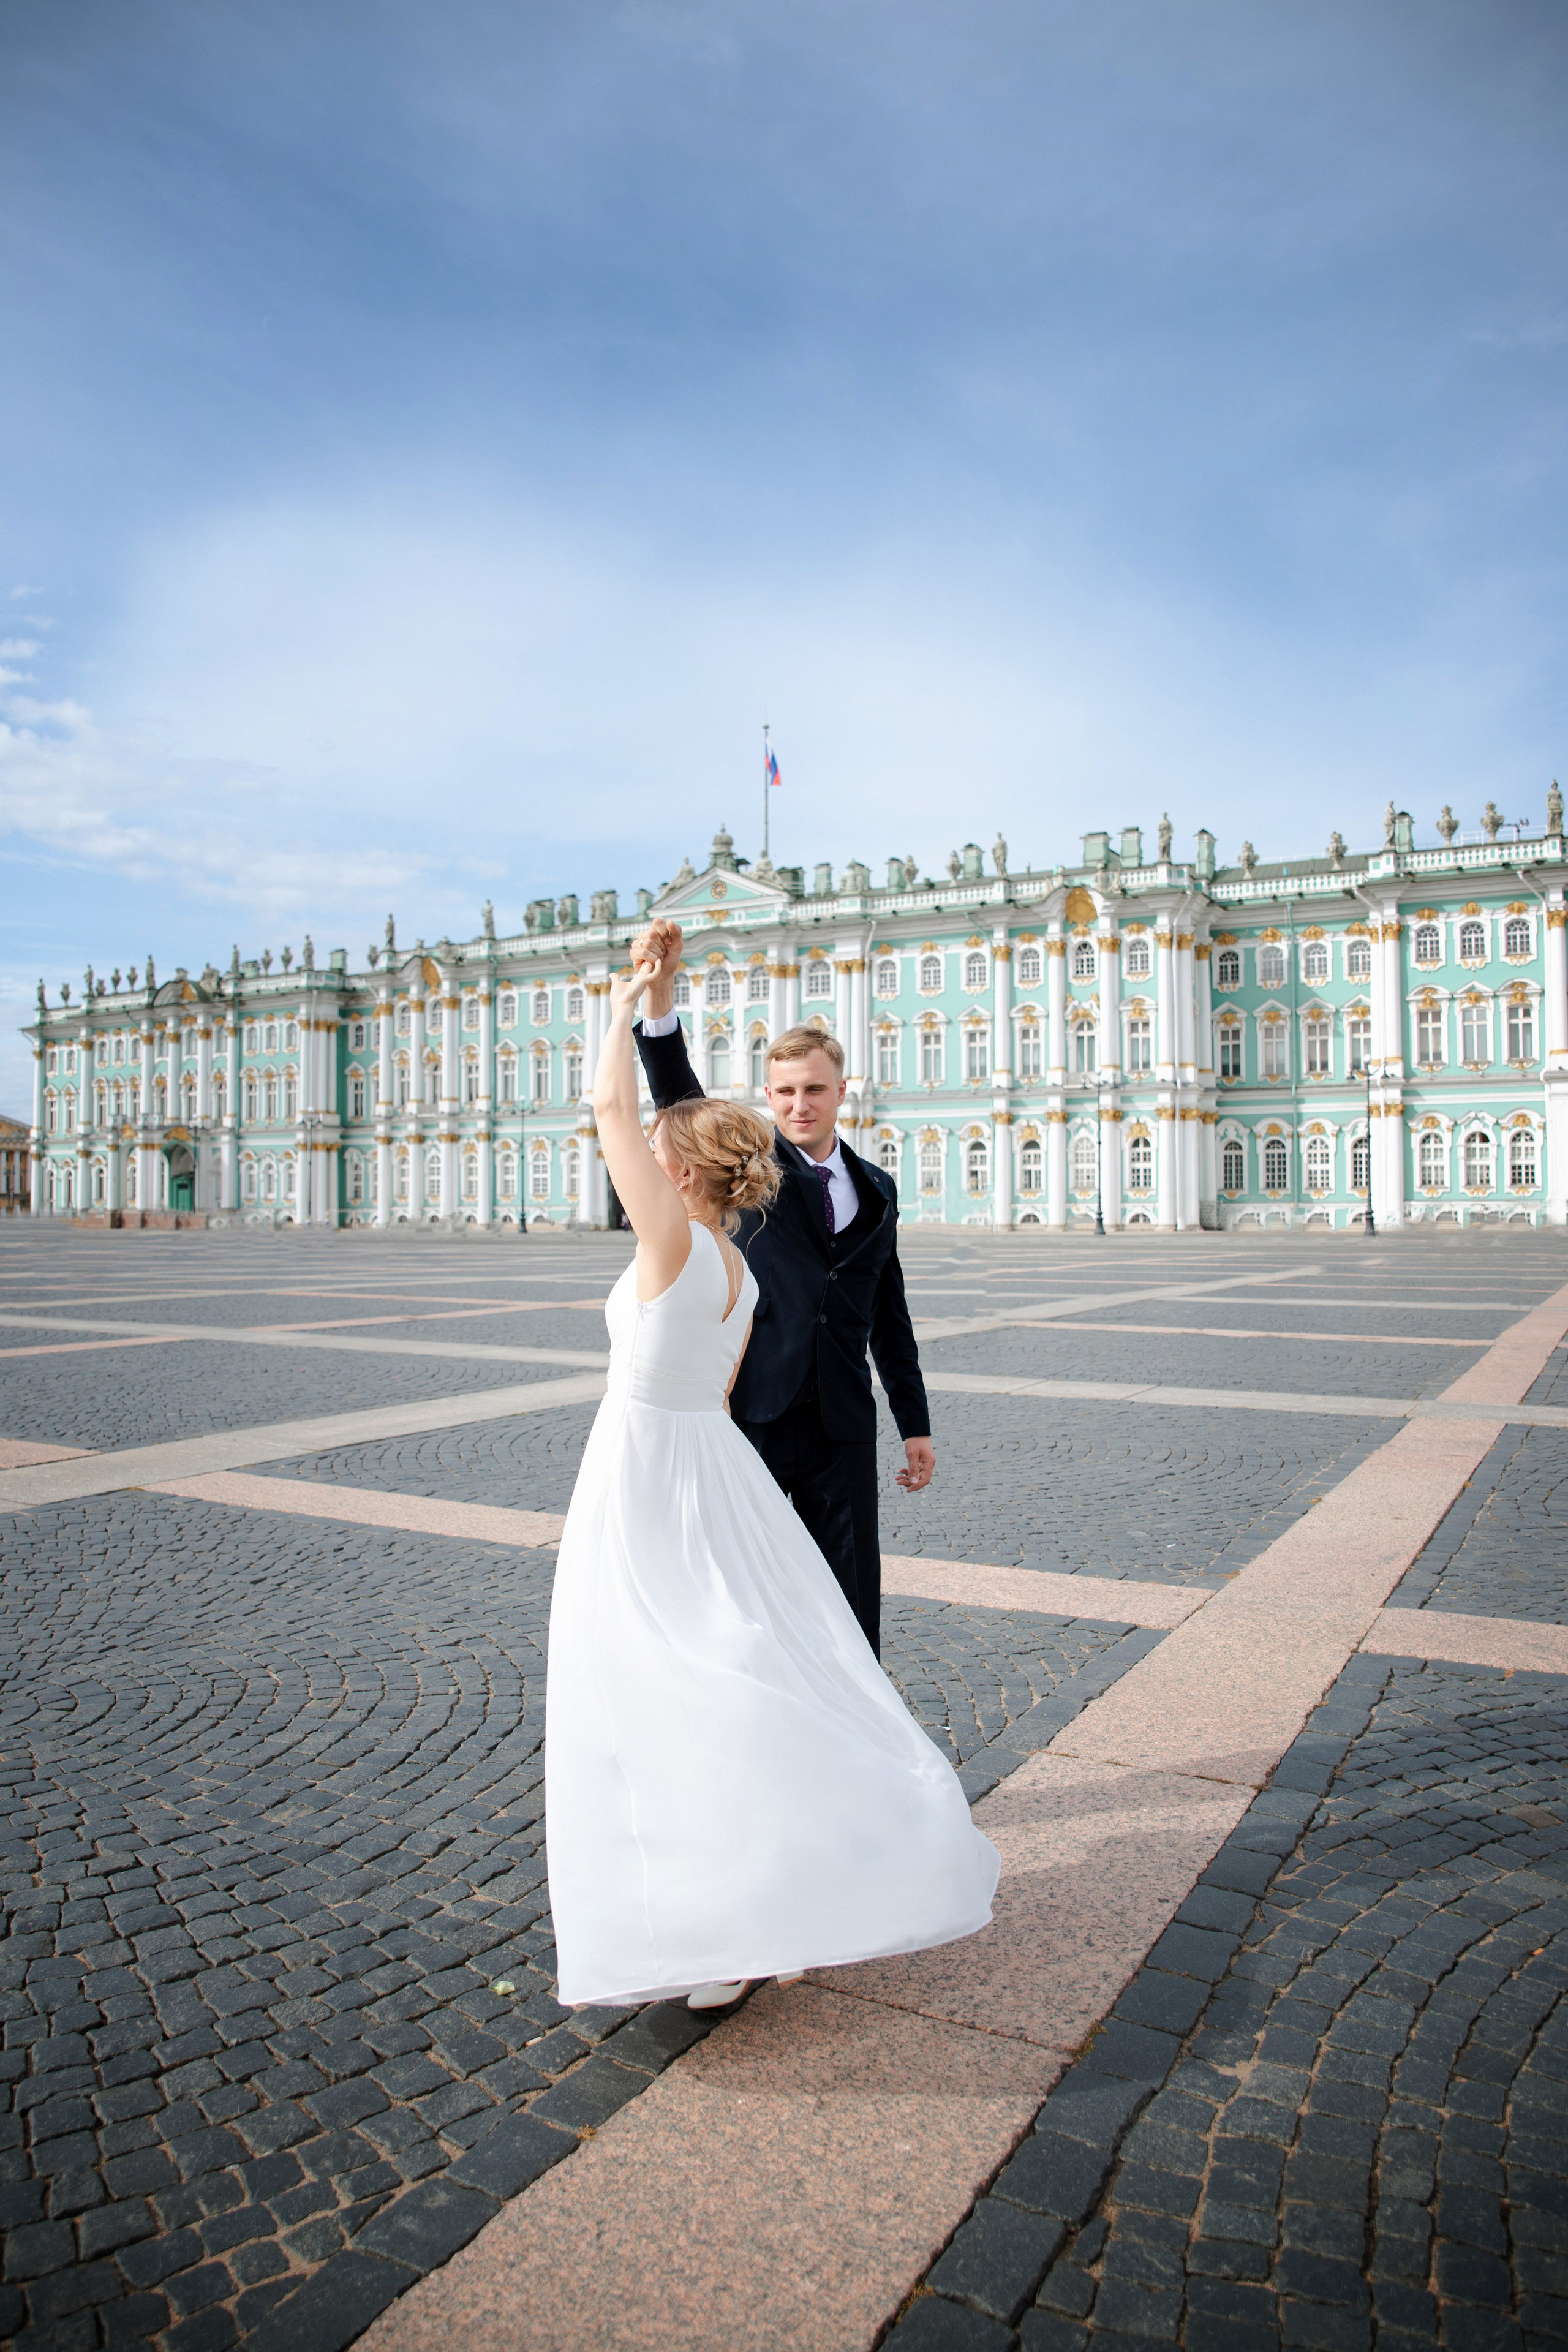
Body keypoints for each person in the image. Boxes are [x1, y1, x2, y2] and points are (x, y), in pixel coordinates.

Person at [545, 949, 998, 2012]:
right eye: (781, 1093)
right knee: (760, 1649)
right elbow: (664, 1103)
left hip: (689, 1462)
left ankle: (765, 1872)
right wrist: (658, 1015)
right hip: (726, 1448)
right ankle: (783, 1863)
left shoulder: (700, 1234)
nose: (648, 1160)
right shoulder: (738, 1249)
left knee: (731, 1660)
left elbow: (618, 1108)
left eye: (812, 1087)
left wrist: (619, 1006)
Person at [630, 918, 929, 1658]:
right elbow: (678, 1094)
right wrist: (660, 992)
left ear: (841, 1090)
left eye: (815, 1090)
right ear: (769, 1094)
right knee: (743, 1587)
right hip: (754, 1414)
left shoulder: (880, 1188)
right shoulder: (752, 1166)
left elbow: (888, 1316)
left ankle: (863, 1735)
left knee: (855, 1596)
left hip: (843, 1426)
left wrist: (914, 1423)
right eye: (787, 1092)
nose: (801, 1105)